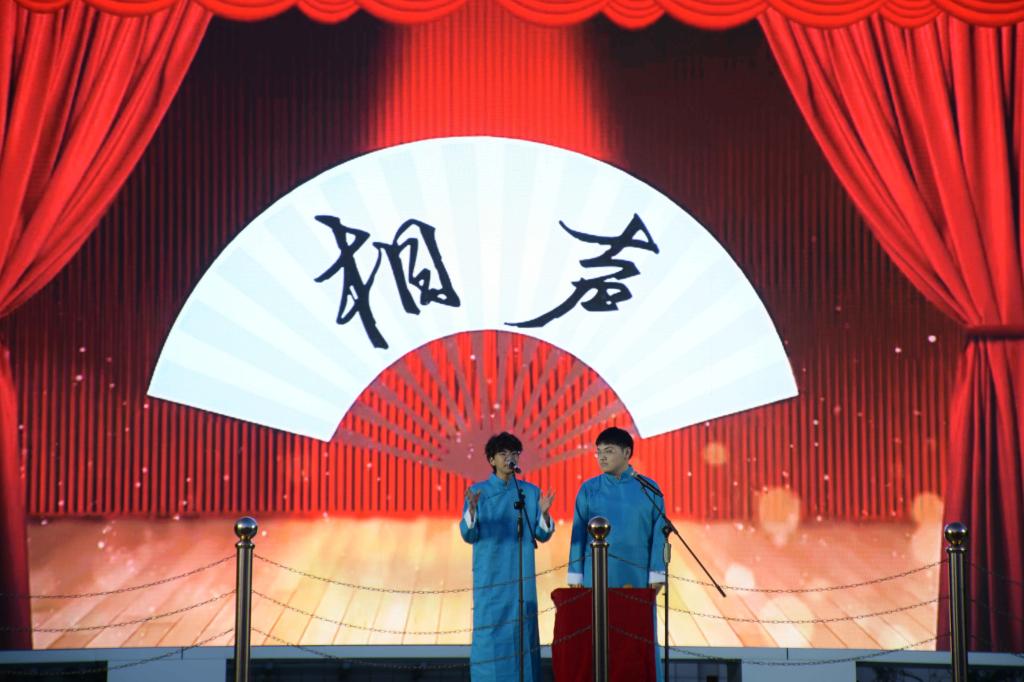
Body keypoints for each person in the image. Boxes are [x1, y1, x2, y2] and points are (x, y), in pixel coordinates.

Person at [567, 426, 666, 681]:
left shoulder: (649, 489)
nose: (601, 457)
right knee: (597, 637)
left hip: (637, 576)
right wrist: (576, 574)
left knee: (636, 639)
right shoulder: (589, 489)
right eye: (598, 452)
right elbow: (578, 533)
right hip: (595, 577)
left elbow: (660, 533)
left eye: (608, 451)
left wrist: (657, 573)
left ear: (627, 453)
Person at [460, 432, 556, 682]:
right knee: (490, 632)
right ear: (491, 460)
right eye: (502, 454)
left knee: (523, 631)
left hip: (522, 575)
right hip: (491, 575)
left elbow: (542, 534)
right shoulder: (477, 492)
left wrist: (545, 514)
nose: (509, 458)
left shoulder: (529, 493)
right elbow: (468, 534)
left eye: (514, 454)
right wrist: (472, 511)